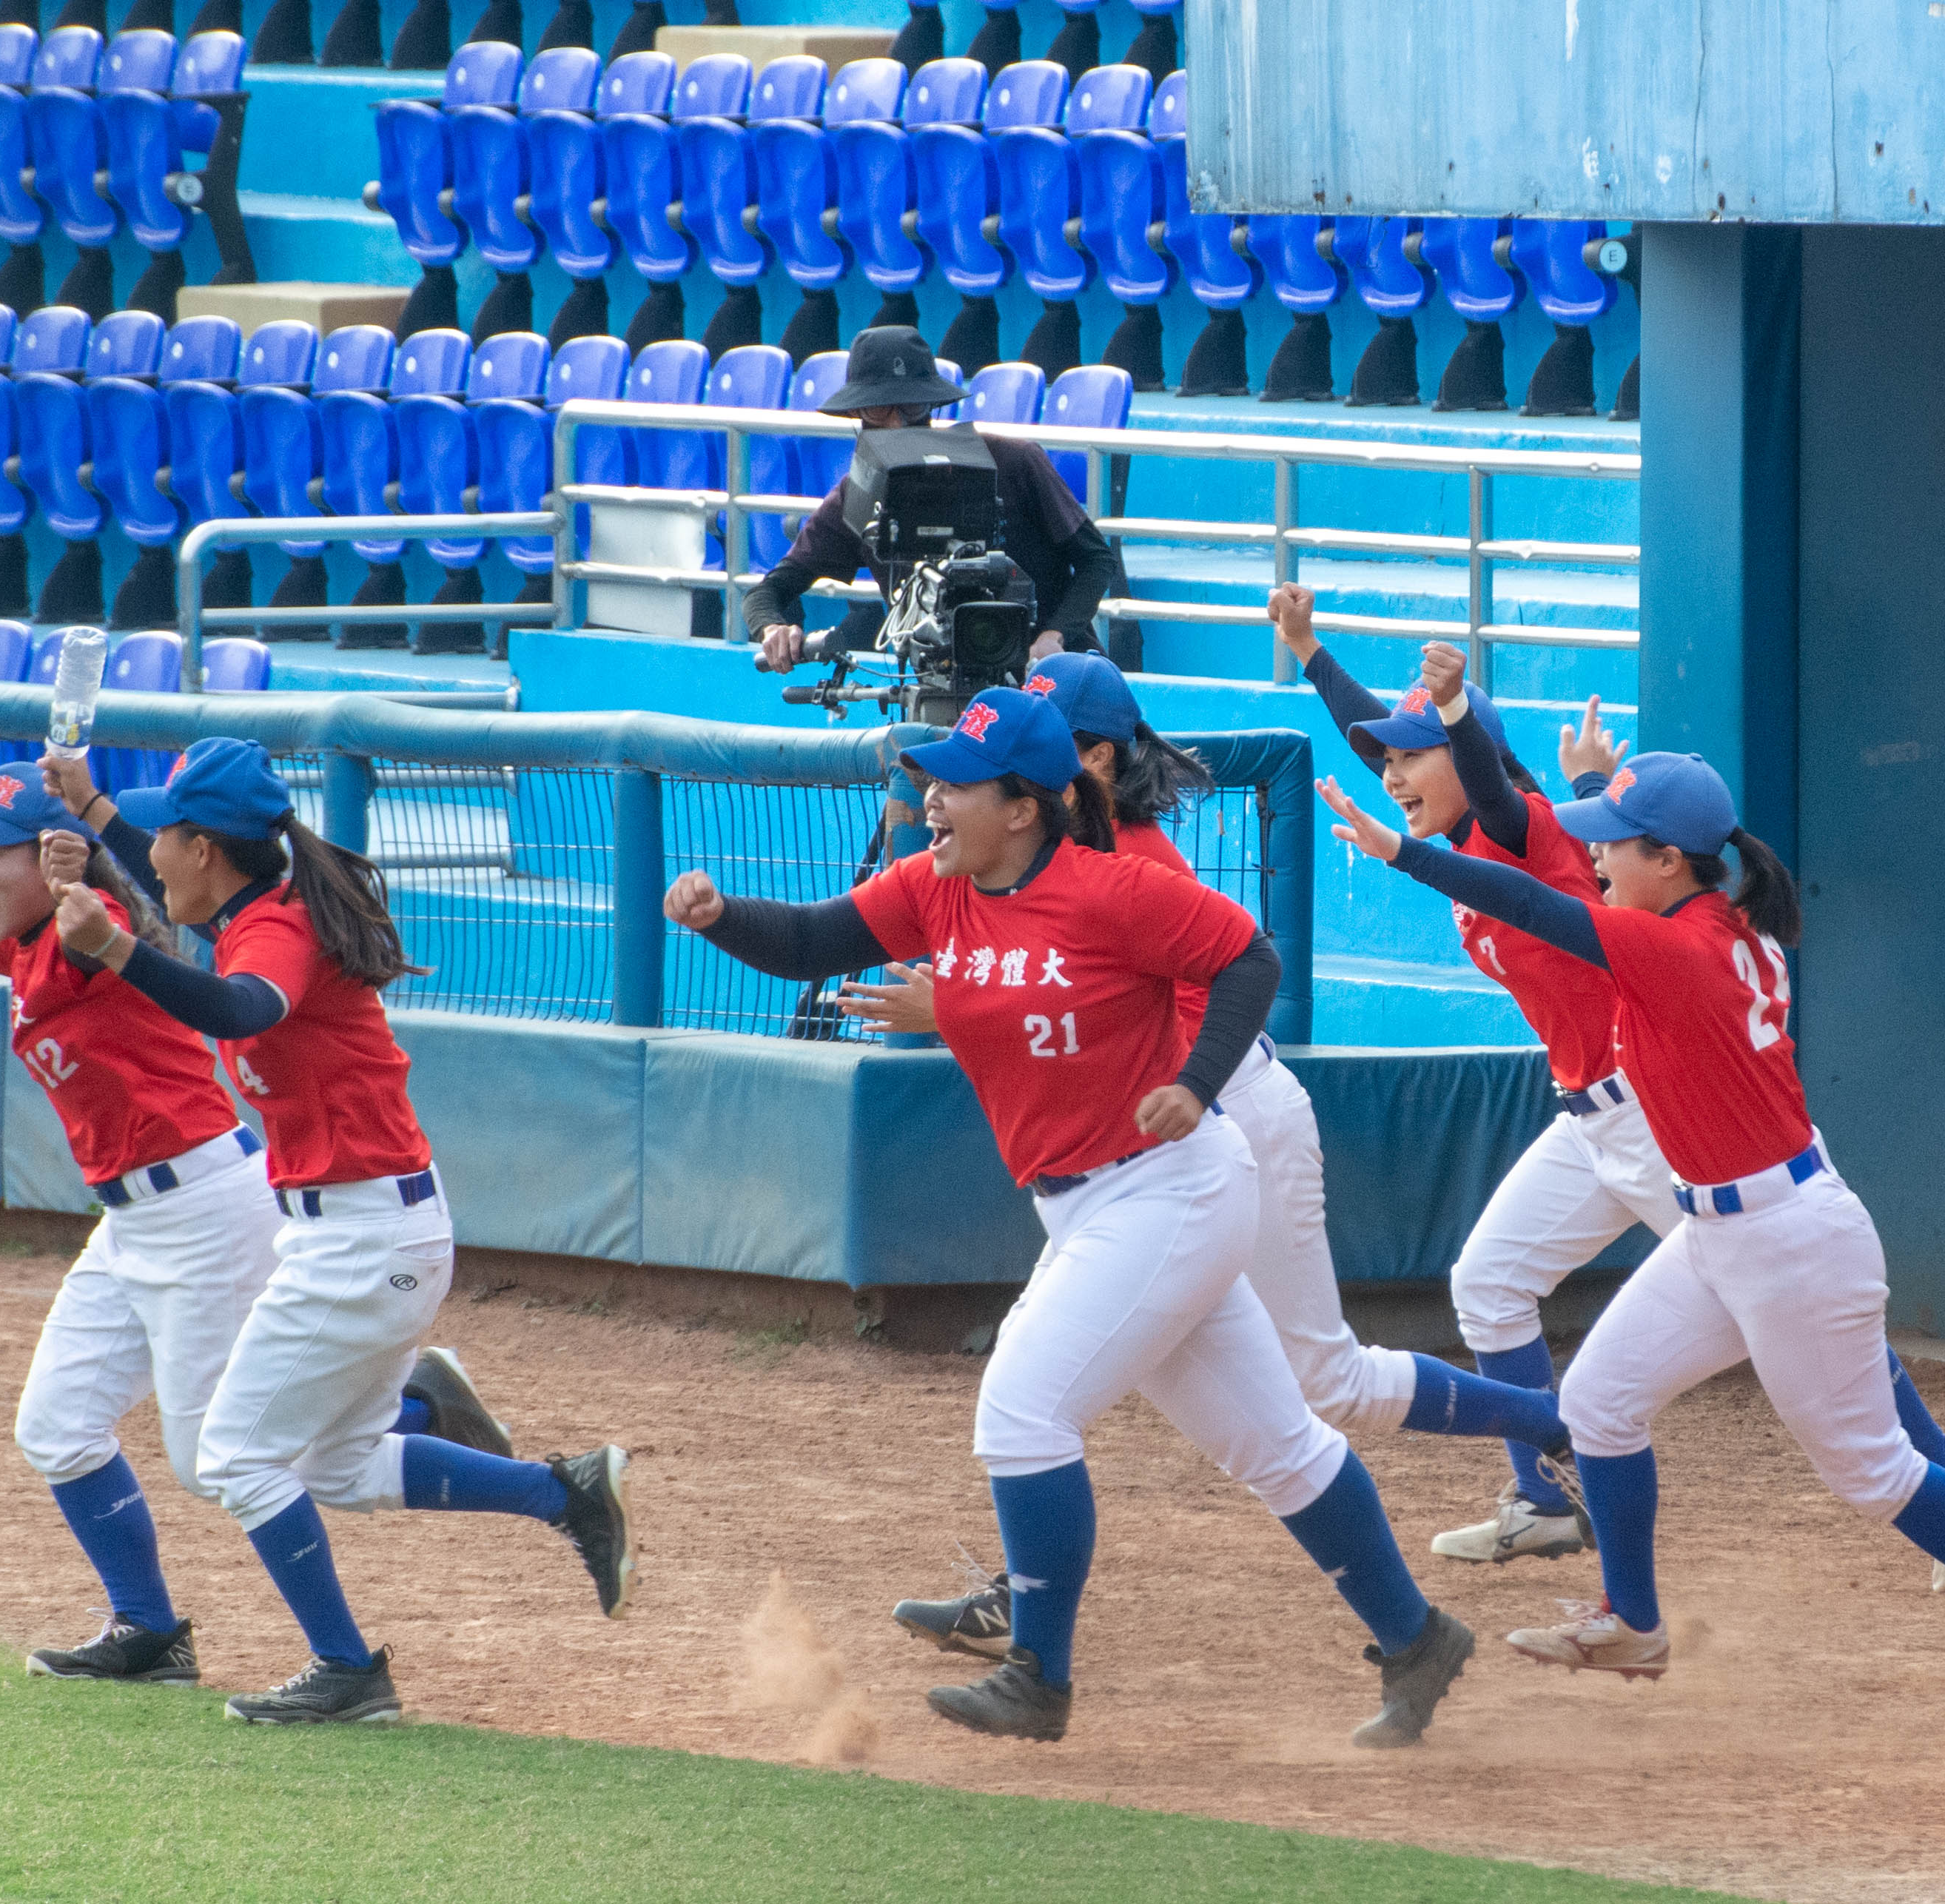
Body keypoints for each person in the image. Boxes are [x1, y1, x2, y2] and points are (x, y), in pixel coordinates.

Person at [672, 687, 1481, 1750]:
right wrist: (721, 916)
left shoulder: (1110, 890)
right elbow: (817, 939)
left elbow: (1248, 959)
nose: (930, 796)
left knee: (1021, 1410)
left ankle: (1037, 1677)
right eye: (933, 775)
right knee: (1276, 1444)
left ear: (1023, 809)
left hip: (1169, 1186)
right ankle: (1416, 1638)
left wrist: (1195, 1079)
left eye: (955, 783)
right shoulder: (935, 887)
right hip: (1090, 1204)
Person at [1319, 748, 1945, 1726]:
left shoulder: (1678, 948)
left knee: (1870, 1473)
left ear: (1672, 860)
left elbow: (1537, 909)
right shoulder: (1717, 919)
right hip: (1718, 1227)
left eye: (1615, 847)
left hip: (1790, 1243)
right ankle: (1632, 1622)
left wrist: (1402, 851)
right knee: (1599, 1407)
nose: (1596, 859)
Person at [841, 654, 1570, 1660]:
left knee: (1331, 1381)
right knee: (1075, 1373)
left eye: (1041, 745)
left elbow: (1193, 1002)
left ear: (1083, 763)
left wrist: (963, 1005)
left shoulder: (1122, 869)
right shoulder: (1036, 861)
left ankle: (1557, 1425)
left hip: (1222, 1126)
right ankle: (1033, 1591)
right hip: (1151, 1154)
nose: (960, 787)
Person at [1272, 586, 1945, 1573]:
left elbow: (1485, 785)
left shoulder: (1521, 825)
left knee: (1789, 1310)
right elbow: (1408, 753)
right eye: (1388, 759)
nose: (1393, 772)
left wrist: (1452, 715)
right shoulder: (1485, 831)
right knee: (1488, 1283)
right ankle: (1544, 1499)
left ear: (1474, 756)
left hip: (1660, 1120)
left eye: (1413, 754)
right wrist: (1313, 655)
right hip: (1588, 1124)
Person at [0, 758, 521, 1689]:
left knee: (219, 1462)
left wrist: (95, 874)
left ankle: (409, 1407)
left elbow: (152, 930)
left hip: (208, 1209)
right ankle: (151, 1632)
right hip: (131, 1221)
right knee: (57, 1427)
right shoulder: (28, 940)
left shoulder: (96, 931)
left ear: (51, 862)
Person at [36, 737, 633, 1726]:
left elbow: (238, 1009)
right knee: (340, 1467)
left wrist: (115, 947)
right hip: (356, 1232)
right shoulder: (241, 899)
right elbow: (165, 870)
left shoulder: (276, 931)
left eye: (170, 838)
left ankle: (347, 1669)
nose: (154, 862)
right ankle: (563, 1494)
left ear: (210, 850)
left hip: (367, 1240)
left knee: (232, 1456)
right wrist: (97, 811)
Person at [739, 327, 1123, 685]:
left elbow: (1096, 559)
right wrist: (773, 629)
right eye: (879, 410)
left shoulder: (1014, 460)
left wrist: (1051, 638)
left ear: (931, 405)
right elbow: (768, 592)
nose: (897, 424)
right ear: (857, 414)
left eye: (912, 407)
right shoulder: (855, 496)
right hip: (938, 687)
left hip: (1053, 677)